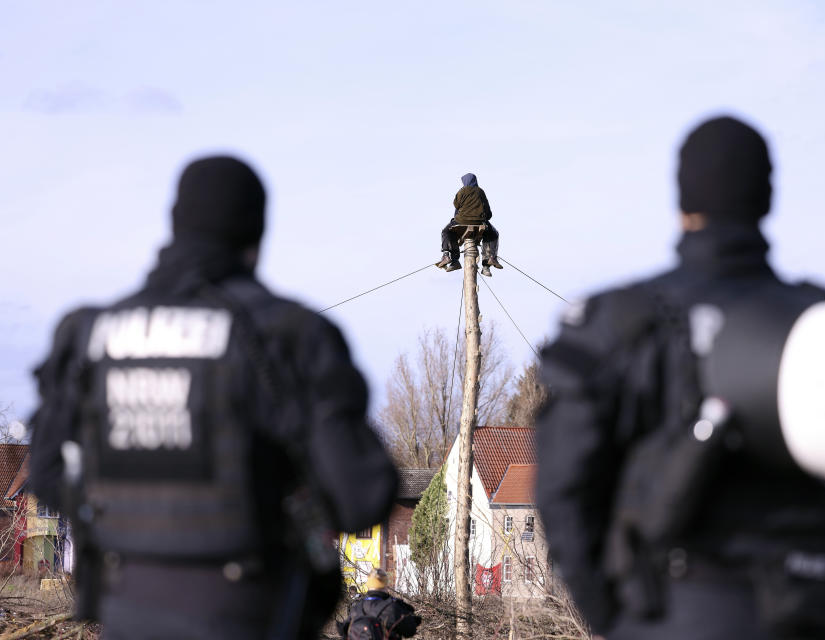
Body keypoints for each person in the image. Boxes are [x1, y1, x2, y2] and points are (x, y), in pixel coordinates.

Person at [535, 116, 825, 640]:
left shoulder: (613, 326)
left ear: (681, 201)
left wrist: (622, 618)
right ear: (767, 198)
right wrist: (821, 602)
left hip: (660, 613)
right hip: (797, 611)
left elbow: (565, 489)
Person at [28, 156, 399, 640]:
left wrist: (126, 527)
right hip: (251, 611)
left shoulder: (86, 336)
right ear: (257, 235)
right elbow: (362, 497)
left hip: (125, 613)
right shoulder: (288, 335)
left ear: (175, 223)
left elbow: (46, 474)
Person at [436, 173, 502, 276]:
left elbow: (456, 205)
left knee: (446, 231)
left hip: (461, 220)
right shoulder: (480, 192)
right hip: (479, 221)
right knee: (493, 234)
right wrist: (484, 217)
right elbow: (488, 213)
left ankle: (450, 258)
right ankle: (489, 261)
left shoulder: (461, 191)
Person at [340, 569, 421, 640]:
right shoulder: (393, 608)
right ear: (385, 584)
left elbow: (343, 632)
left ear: (368, 584)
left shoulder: (357, 608)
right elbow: (410, 631)